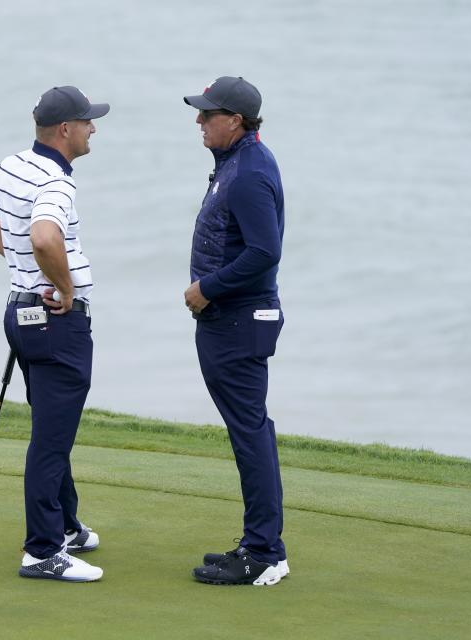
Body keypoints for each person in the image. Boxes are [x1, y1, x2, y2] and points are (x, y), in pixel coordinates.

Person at [0, 86, 109, 582]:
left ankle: (67, 526)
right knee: (50, 440)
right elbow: (45, 236)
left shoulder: (12, 165)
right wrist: (63, 287)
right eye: (88, 122)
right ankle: (43, 551)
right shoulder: (57, 183)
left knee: (54, 426)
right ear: (65, 130)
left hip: (21, 316)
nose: (94, 128)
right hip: (57, 323)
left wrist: (22, 273)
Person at [181, 76, 289, 586]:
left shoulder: (247, 172)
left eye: (208, 114)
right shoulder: (237, 162)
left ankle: (264, 554)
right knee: (251, 431)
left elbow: (265, 252)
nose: (199, 121)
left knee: (250, 434)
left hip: (239, 321)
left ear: (237, 121)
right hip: (233, 319)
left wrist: (208, 288)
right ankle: (260, 544)